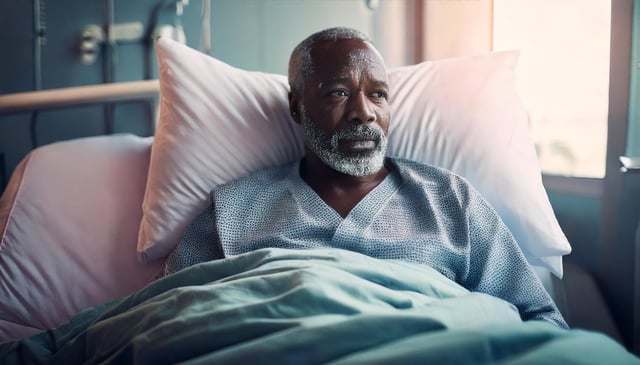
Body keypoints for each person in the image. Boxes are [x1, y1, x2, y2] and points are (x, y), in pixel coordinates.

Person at [162, 27, 568, 329]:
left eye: (378, 94)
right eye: (338, 93)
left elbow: (539, 317)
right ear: (297, 106)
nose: (364, 112)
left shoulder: (450, 201)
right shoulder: (234, 209)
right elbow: (164, 317)